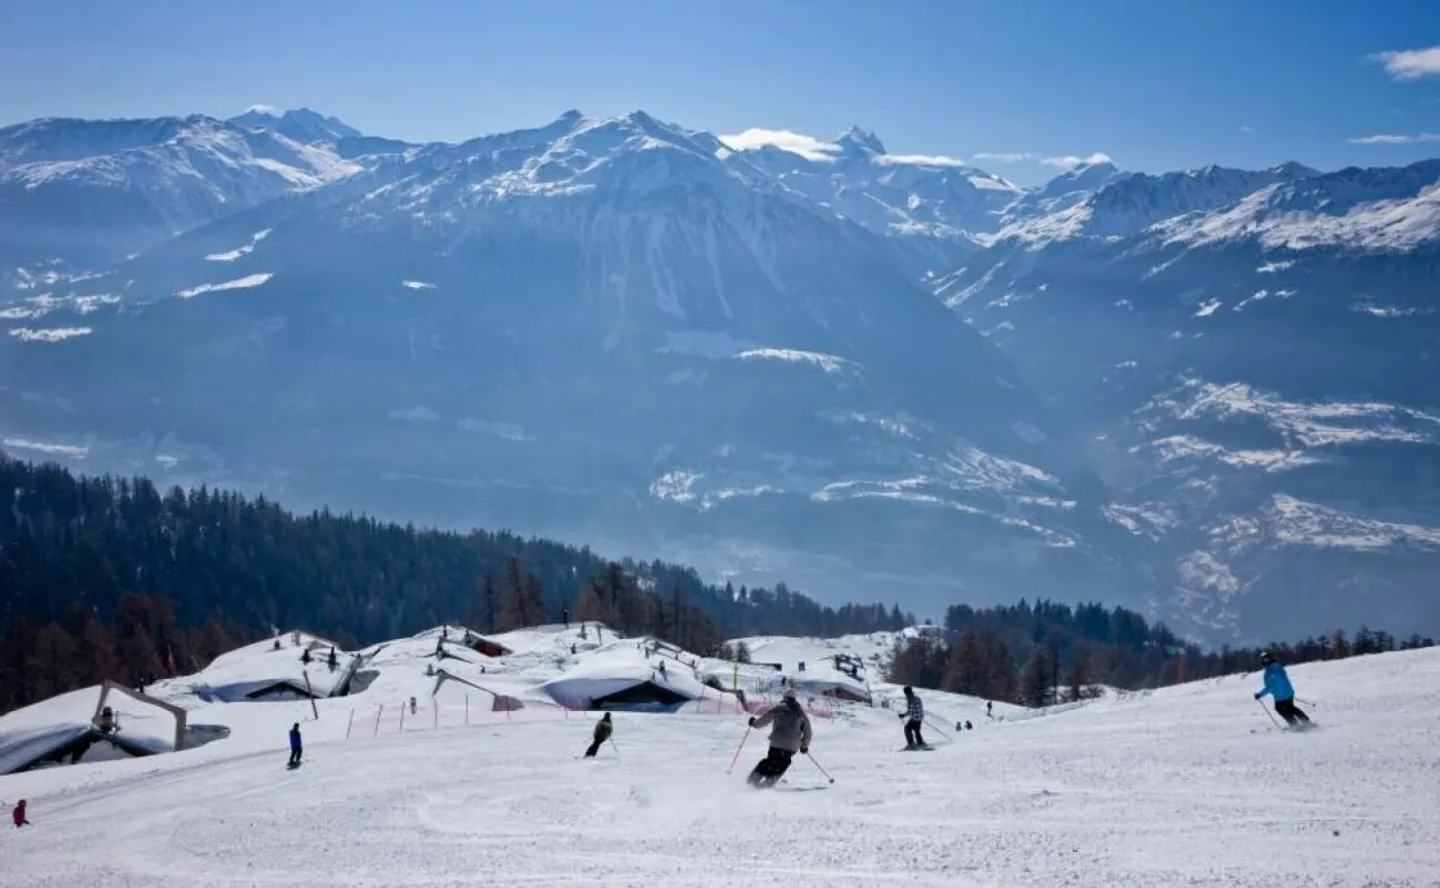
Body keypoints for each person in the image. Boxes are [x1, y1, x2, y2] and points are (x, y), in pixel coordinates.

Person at [746, 688, 812, 788]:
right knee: (783, 762)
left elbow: (766, 718)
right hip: (792, 746)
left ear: (784, 697)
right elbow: (808, 731)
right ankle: (769, 782)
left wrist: (754, 724)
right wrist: (804, 745)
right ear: (795, 699)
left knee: (770, 760)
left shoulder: (780, 707)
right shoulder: (800, 712)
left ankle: (752, 781)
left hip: (776, 742)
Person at [1254, 651, 1310, 727]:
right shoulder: (1278, 666)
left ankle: (1294, 724)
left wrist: (1260, 694)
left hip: (1280, 697)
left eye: (1267, 659)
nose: (1265, 661)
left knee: (1280, 708)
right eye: (1264, 659)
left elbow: (1269, 687)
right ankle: (1305, 721)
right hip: (1288, 693)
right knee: (1290, 708)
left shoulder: (1269, 672)